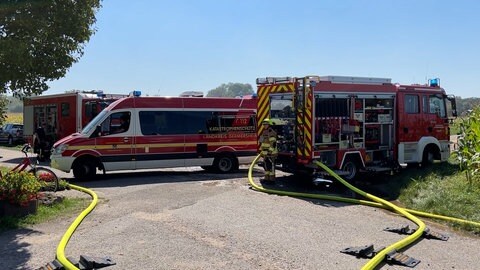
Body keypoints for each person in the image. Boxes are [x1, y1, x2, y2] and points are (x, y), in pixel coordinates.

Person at [260, 118, 278, 183]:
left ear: (269, 125)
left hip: (271, 153)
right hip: (265, 153)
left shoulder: (271, 132)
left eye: (266, 124)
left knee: (271, 167)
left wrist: (269, 152)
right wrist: (261, 151)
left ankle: (272, 180)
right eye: (264, 124)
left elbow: (273, 144)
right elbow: (261, 142)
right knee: (266, 167)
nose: (264, 126)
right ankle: (267, 179)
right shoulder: (264, 131)